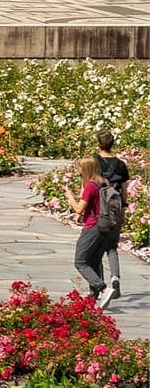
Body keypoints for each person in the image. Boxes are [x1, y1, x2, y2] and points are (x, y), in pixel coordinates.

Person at [70, 155, 121, 308]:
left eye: (80, 169)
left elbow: (79, 207)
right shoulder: (103, 182)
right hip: (105, 227)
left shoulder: (90, 186)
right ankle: (93, 296)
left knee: (80, 261)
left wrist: (70, 198)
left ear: (86, 169)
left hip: (92, 228)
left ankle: (103, 288)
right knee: (94, 261)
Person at [95, 131, 130, 306]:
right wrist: (124, 207)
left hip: (98, 210)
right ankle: (115, 277)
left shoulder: (94, 162)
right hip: (115, 208)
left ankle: (99, 288)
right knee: (112, 247)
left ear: (98, 144)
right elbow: (124, 189)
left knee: (96, 249)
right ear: (112, 144)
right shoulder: (121, 165)